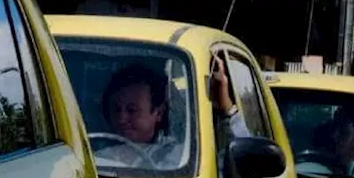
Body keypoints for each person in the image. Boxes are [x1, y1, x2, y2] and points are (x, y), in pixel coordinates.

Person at [95, 54, 249, 169]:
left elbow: (239, 163)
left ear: (158, 113)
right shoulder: (91, 155)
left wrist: (227, 109)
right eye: (116, 109)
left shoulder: (183, 159)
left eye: (132, 110)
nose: (121, 118)